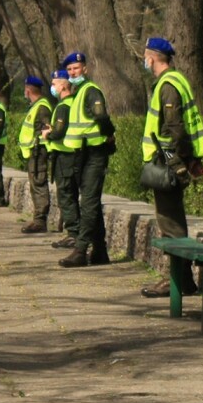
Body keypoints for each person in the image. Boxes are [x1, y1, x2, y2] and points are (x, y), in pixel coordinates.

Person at [140, 37, 203, 297]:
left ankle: (177, 281)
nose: (144, 62)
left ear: (153, 58)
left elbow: (175, 129)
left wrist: (179, 162)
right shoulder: (176, 81)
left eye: (146, 57)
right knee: (172, 220)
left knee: (170, 223)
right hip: (173, 160)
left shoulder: (168, 85)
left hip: (168, 163)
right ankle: (184, 279)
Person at [58, 52, 115, 268]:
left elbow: (101, 116)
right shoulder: (79, 92)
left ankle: (81, 250)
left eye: (77, 68)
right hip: (82, 154)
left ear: (85, 69)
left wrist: (110, 133)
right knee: (91, 202)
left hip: (95, 152)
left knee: (88, 202)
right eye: (70, 69)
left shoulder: (90, 91)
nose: (73, 72)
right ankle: (100, 251)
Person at [42, 68, 80, 248]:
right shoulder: (74, 103)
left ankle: (73, 233)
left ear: (64, 85)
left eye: (55, 84)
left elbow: (59, 132)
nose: (52, 87)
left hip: (65, 158)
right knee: (69, 194)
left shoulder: (64, 106)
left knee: (66, 195)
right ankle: (73, 232)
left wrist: (48, 134)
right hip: (71, 156)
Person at [18, 75, 54, 233]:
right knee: (35, 185)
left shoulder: (42, 107)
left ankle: (40, 220)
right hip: (33, 152)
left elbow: (47, 128)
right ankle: (37, 218)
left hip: (39, 152)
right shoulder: (35, 106)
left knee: (39, 185)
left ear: (28, 90)